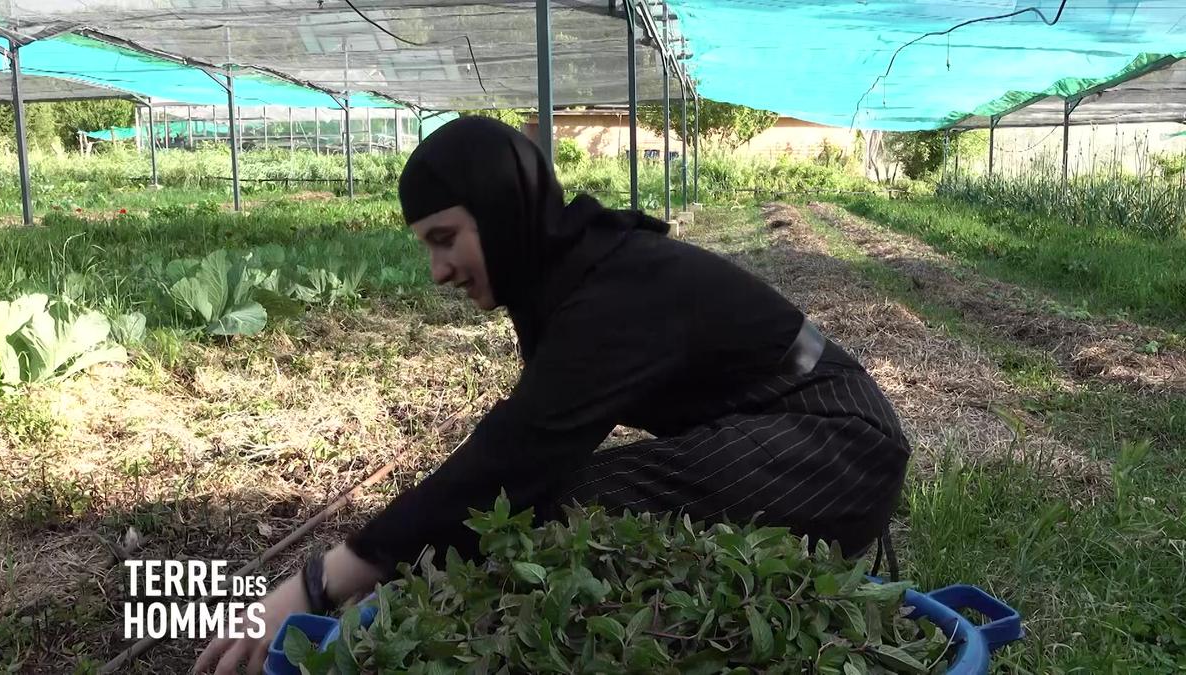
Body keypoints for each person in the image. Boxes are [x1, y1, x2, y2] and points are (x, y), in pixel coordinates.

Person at [194, 117, 910, 674]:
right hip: (792, 437)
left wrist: (316, 582)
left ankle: (403, 617)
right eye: (426, 246)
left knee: (553, 510)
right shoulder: (573, 278)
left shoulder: (612, 292)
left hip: (837, 446)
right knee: (537, 506)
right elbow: (528, 447)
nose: (438, 270)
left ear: (501, 211)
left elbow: (513, 458)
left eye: (445, 238)